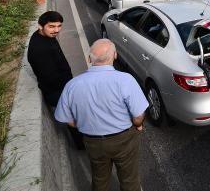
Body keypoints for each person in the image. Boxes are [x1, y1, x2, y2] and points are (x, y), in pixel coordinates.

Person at [55, 39, 149, 191]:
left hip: (93, 142)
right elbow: (138, 116)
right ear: (115, 55)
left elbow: (66, 119)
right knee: (129, 179)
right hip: (124, 139)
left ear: (89, 58)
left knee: (99, 179)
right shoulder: (125, 80)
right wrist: (137, 125)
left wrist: (84, 126)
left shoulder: (72, 85)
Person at [27, 11, 73, 107]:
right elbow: (50, 78)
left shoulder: (45, 35)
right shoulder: (39, 49)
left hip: (64, 87)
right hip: (57, 93)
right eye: (51, 26)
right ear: (40, 26)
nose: (56, 30)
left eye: (59, 26)